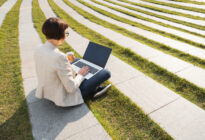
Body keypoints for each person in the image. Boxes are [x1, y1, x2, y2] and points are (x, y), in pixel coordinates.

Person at [34, 17, 111, 107]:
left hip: (49, 89)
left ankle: (93, 87)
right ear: (59, 34)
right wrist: (81, 75)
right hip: (64, 96)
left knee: (77, 60)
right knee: (106, 72)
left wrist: (66, 60)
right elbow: (71, 88)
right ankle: (93, 91)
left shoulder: (38, 48)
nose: (66, 36)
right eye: (66, 33)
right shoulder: (59, 57)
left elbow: (50, 62)